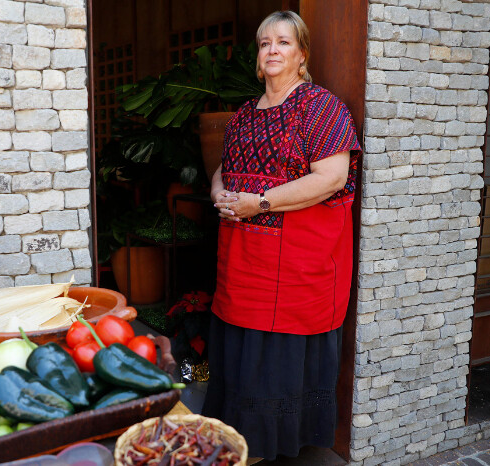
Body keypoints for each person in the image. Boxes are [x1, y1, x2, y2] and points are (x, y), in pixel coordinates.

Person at [201, 10, 362, 462]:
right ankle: (239, 438)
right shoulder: (244, 115)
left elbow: (331, 177)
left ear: (302, 54)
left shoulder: (321, 107)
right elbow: (224, 166)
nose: (272, 50)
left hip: (297, 264)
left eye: (284, 43)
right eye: (265, 43)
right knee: (242, 350)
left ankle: (265, 447)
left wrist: (262, 202)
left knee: (276, 357)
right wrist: (218, 190)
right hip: (243, 259)